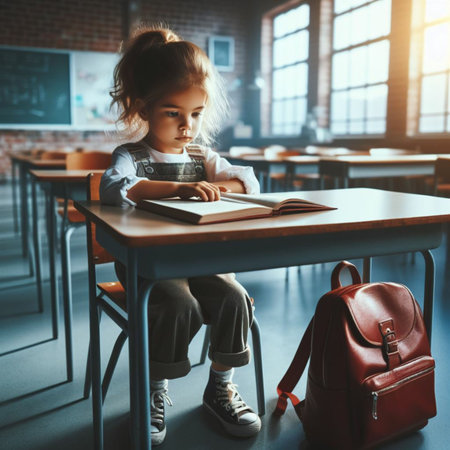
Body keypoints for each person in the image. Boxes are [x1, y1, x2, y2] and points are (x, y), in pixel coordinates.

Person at [100, 25, 261, 446]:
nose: (187, 125)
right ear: (142, 106)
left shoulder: (203, 157)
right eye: (173, 112)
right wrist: (179, 188)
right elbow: (115, 188)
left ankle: (219, 387)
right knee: (175, 302)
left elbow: (248, 182)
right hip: (150, 267)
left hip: (199, 262)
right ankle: (156, 389)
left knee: (234, 297)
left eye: (195, 114)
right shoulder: (130, 157)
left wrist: (216, 186)